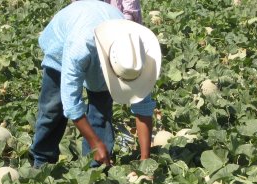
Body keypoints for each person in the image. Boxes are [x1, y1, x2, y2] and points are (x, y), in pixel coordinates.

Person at [29, 0, 161, 168]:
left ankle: (95, 167)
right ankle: (42, 159)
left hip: (101, 31)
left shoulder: (134, 55)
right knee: (52, 108)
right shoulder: (80, 47)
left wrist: (145, 161)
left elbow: (143, 108)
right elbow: (71, 102)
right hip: (63, 42)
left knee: (101, 112)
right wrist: (95, 142)